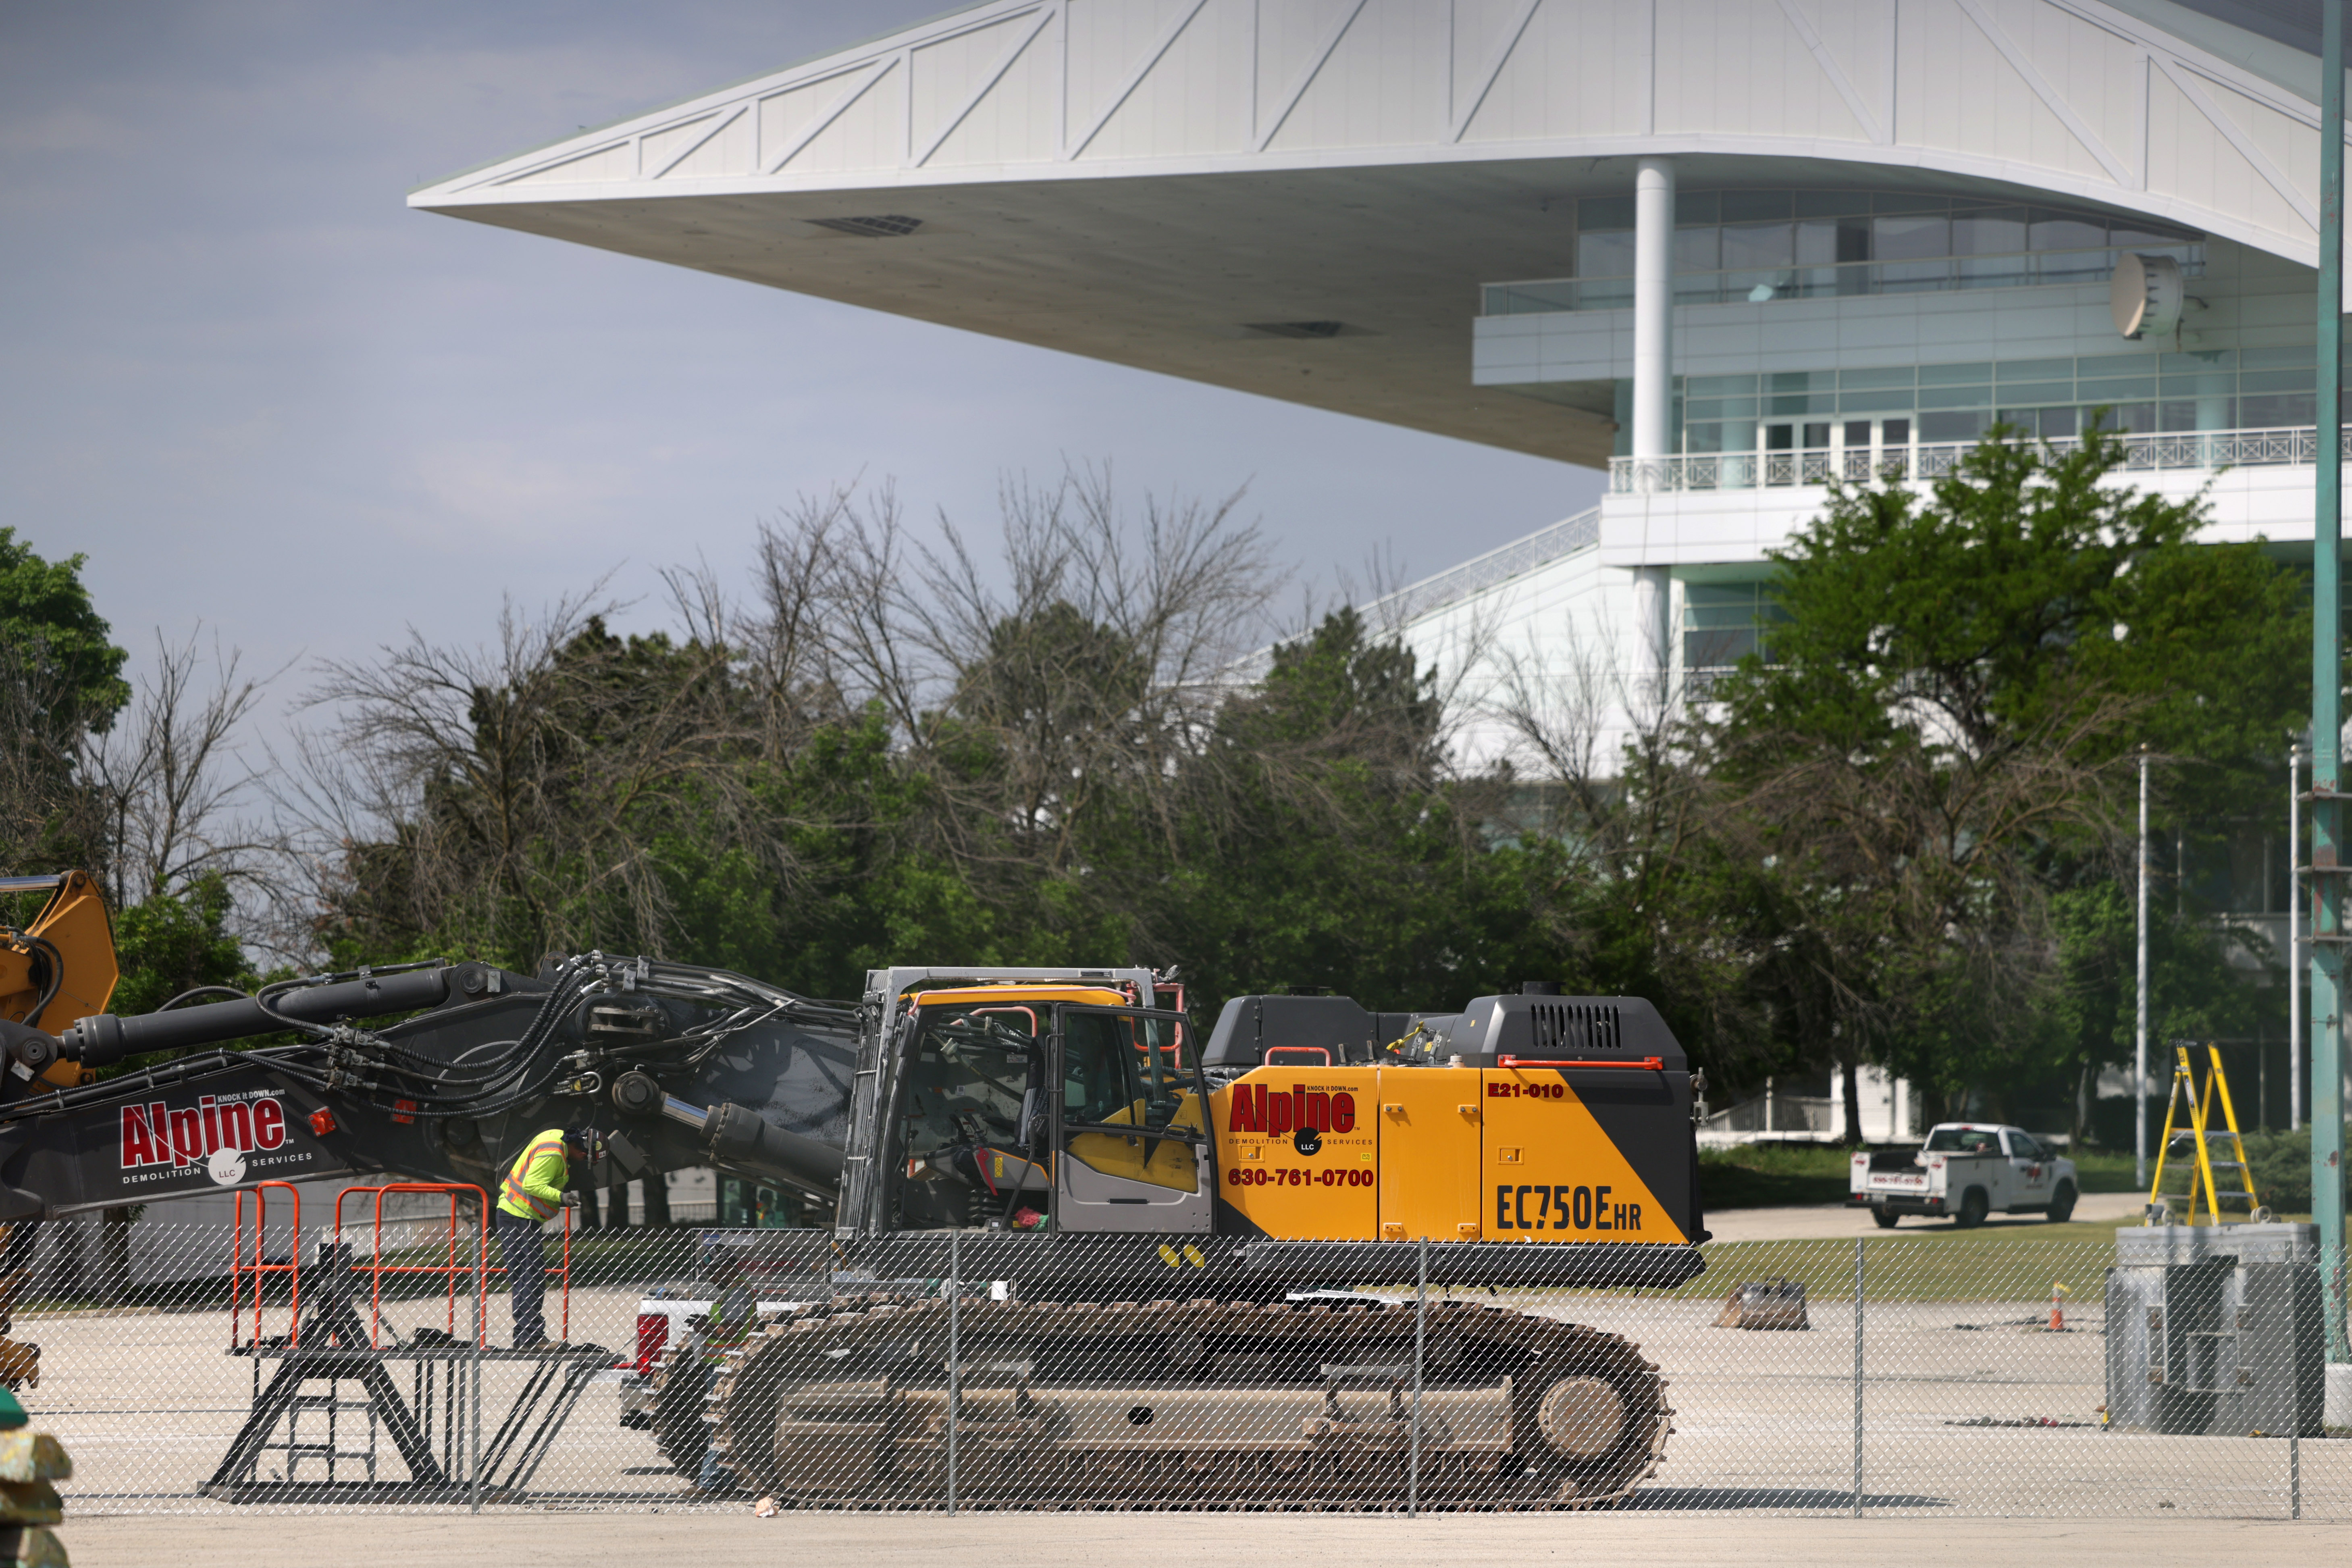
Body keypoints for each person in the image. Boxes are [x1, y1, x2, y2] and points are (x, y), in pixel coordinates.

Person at [495, 1124, 600, 1351]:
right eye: (586, 1156)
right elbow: (532, 1184)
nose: (583, 1160)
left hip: (518, 1215)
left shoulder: (554, 1138)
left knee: (526, 1276)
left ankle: (525, 1337)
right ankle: (531, 1337)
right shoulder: (554, 1153)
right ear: (581, 1149)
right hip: (518, 1215)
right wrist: (561, 1197)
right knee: (531, 1276)